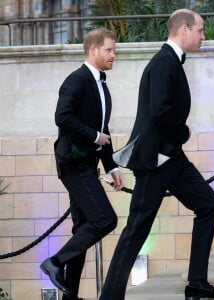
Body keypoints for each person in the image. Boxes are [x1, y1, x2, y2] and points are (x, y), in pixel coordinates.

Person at [100, 9, 214, 300]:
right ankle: (109, 297)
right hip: (156, 160)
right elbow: (160, 111)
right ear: (184, 29)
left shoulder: (170, 61)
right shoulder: (164, 62)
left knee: (209, 205)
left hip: (171, 158)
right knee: (136, 229)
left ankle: (196, 283)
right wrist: (182, 132)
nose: (203, 36)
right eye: (200, 30)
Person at [40, 28, 124, 300]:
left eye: (114, 50)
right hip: (73, 163)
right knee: (105, 220)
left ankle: (69, 296)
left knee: (82, 229)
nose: (114, 55)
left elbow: (103, 128)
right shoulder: (76, 80)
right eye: (109, 50)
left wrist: (111, 166)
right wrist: (93, 136)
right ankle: (54, 262)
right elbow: (62, 117)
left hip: (88, 163)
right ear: (93, 50)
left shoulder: (101, 84)